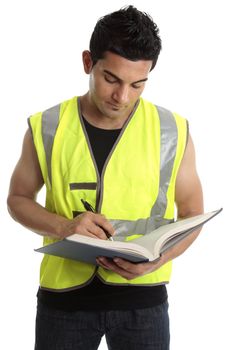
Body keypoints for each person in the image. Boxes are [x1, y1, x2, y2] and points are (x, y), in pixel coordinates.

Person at [7, 5, 203, 350]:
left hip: (144, 303)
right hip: (63, 302)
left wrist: (162, 259)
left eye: (137, 84)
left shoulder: (172, 130)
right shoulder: (46, 125)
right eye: (111, 79)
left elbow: (191, 215)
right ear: (88, 63)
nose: (122, 97)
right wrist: (64, 227)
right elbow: (17, 199)